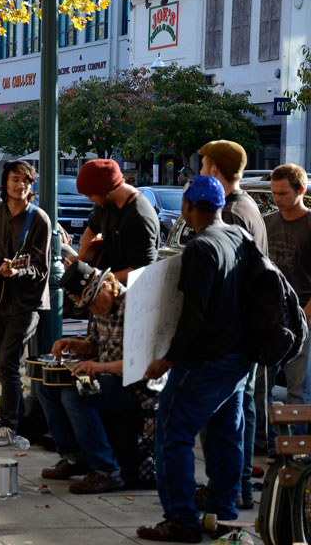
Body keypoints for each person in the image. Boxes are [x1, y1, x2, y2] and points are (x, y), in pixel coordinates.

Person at [137, 176, 252, 543]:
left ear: (188, 207)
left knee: (173, 433)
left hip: (206, 359)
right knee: (225, 434)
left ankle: (182, 519)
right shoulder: (238, 236)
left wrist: (168, 359)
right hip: (238, 356)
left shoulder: (201, 248)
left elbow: (193, 315)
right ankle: (222, 513)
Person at [40, 260, 157, 493]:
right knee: (47, 387)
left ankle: (107, 471)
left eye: (92, 304)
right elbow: (94, 344)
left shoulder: (136, 306)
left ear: (106, 286)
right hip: (109, 378)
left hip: (137, 388)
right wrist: (73, 344)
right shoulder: (100, 306)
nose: (92, 311)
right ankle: (75, 458)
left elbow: (142, 363)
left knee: (75, 396)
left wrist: (100, 368)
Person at [195, 140, 268, 511]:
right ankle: (236, 487)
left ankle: (230, 487)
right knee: (238, 412)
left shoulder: (232, 213)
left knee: (225, 418)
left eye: (204, 163)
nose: (201, 169)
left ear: (215, 170)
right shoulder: (248, 206)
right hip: (245, 331)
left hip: (232, 335)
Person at [0, 161, 51, 445]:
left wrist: (19, 270)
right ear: (6, 183)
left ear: (31, 185)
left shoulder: (38, 220)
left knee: (9, 363)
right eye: (15, 180)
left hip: (26, 303)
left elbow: (41, 268)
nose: (20, 185)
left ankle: (8, 427)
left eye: (26, 181)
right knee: (2, 366)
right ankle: (20, 420)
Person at [264, 164, 311, 434]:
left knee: (298, 389)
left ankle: (298, 452)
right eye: (274, 193)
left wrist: (304, 316)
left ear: (300, 190)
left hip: (303, 317)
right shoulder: (268, 222)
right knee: (264, 387)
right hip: (270, 318)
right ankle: (270, 443)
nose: (277, 199)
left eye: (283, 193)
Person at [74, 159, 159, 284]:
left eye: (91, 195)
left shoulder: (139, 217)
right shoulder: (105, 203)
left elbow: (142, 269)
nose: (90, 200)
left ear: (107, 190)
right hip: (106, 284)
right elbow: (92, 228)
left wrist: (99, 281)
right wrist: (82, 258)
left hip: (129, 294)